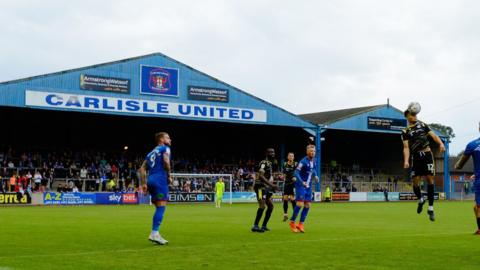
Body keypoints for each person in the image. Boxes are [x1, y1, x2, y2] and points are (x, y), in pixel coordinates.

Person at [401, 106, 445, 221]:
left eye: (415, 114)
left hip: (427, 155)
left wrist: (440, 143)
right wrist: (406, 160)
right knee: (415, 182)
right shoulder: (405, 131)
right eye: (412, 114)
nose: (415, 116)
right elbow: (406, 147)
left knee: (430, 180)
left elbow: (434, 135)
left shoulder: (423, 125)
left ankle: (430, 208)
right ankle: (420, 199)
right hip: (416, 157)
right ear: (407, 116)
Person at [139, 132, 172, 245]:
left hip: (151, 180)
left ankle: (155, 233)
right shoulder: (165, 148)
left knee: (158, 207)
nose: (170, 139)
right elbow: (166, 161)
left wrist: (144, 183)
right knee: (161, 207)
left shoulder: (150, 153)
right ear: (161, 139)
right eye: (168, 137)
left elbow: (142, 169)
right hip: (160, 180)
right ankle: (154, 233)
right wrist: (169, 175)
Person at [455, 122, 480, 234]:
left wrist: (456, 165)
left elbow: (460, 165)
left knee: (478, 207)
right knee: (476, 207)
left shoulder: (473, 145)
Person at [290, 145, 318, 233]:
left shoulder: (315, 160)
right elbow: (296, 172)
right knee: (299, 204)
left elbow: (313, 170)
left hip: (308, 185)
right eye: (310, 151)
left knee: (308, 205)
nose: (312, 152)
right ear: (307, 152)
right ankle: (292, 222)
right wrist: (302, 182)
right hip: (301, 185)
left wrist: (316, 176)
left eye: (313, 151)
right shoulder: (303, 161)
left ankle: (301, 224)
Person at [251, 148, 279, 233]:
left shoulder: (270, 164)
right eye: (271, 152)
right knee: (262, 205)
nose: (273, 153)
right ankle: (255, 226)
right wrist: (272, 185)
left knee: (270, 206)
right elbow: (261, 176)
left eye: (273, 152)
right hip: (260, 186)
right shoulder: (264, 162)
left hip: (265, 187)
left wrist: (270, 185)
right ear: (266, 153)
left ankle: (264, 226)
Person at [282, 152, 298, 221]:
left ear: (293, 157)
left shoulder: (296, 164)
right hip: (286, 183)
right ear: (287, 157)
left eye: (292, 156)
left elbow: (298, 172)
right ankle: (285, 214)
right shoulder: (284, 164)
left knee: (292, 198)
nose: (291, 157)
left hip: (293, 183)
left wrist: (295, 177)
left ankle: (295, 213)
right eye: (290, 156)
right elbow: (284, 173)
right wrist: (283, 176)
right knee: (285, 198)